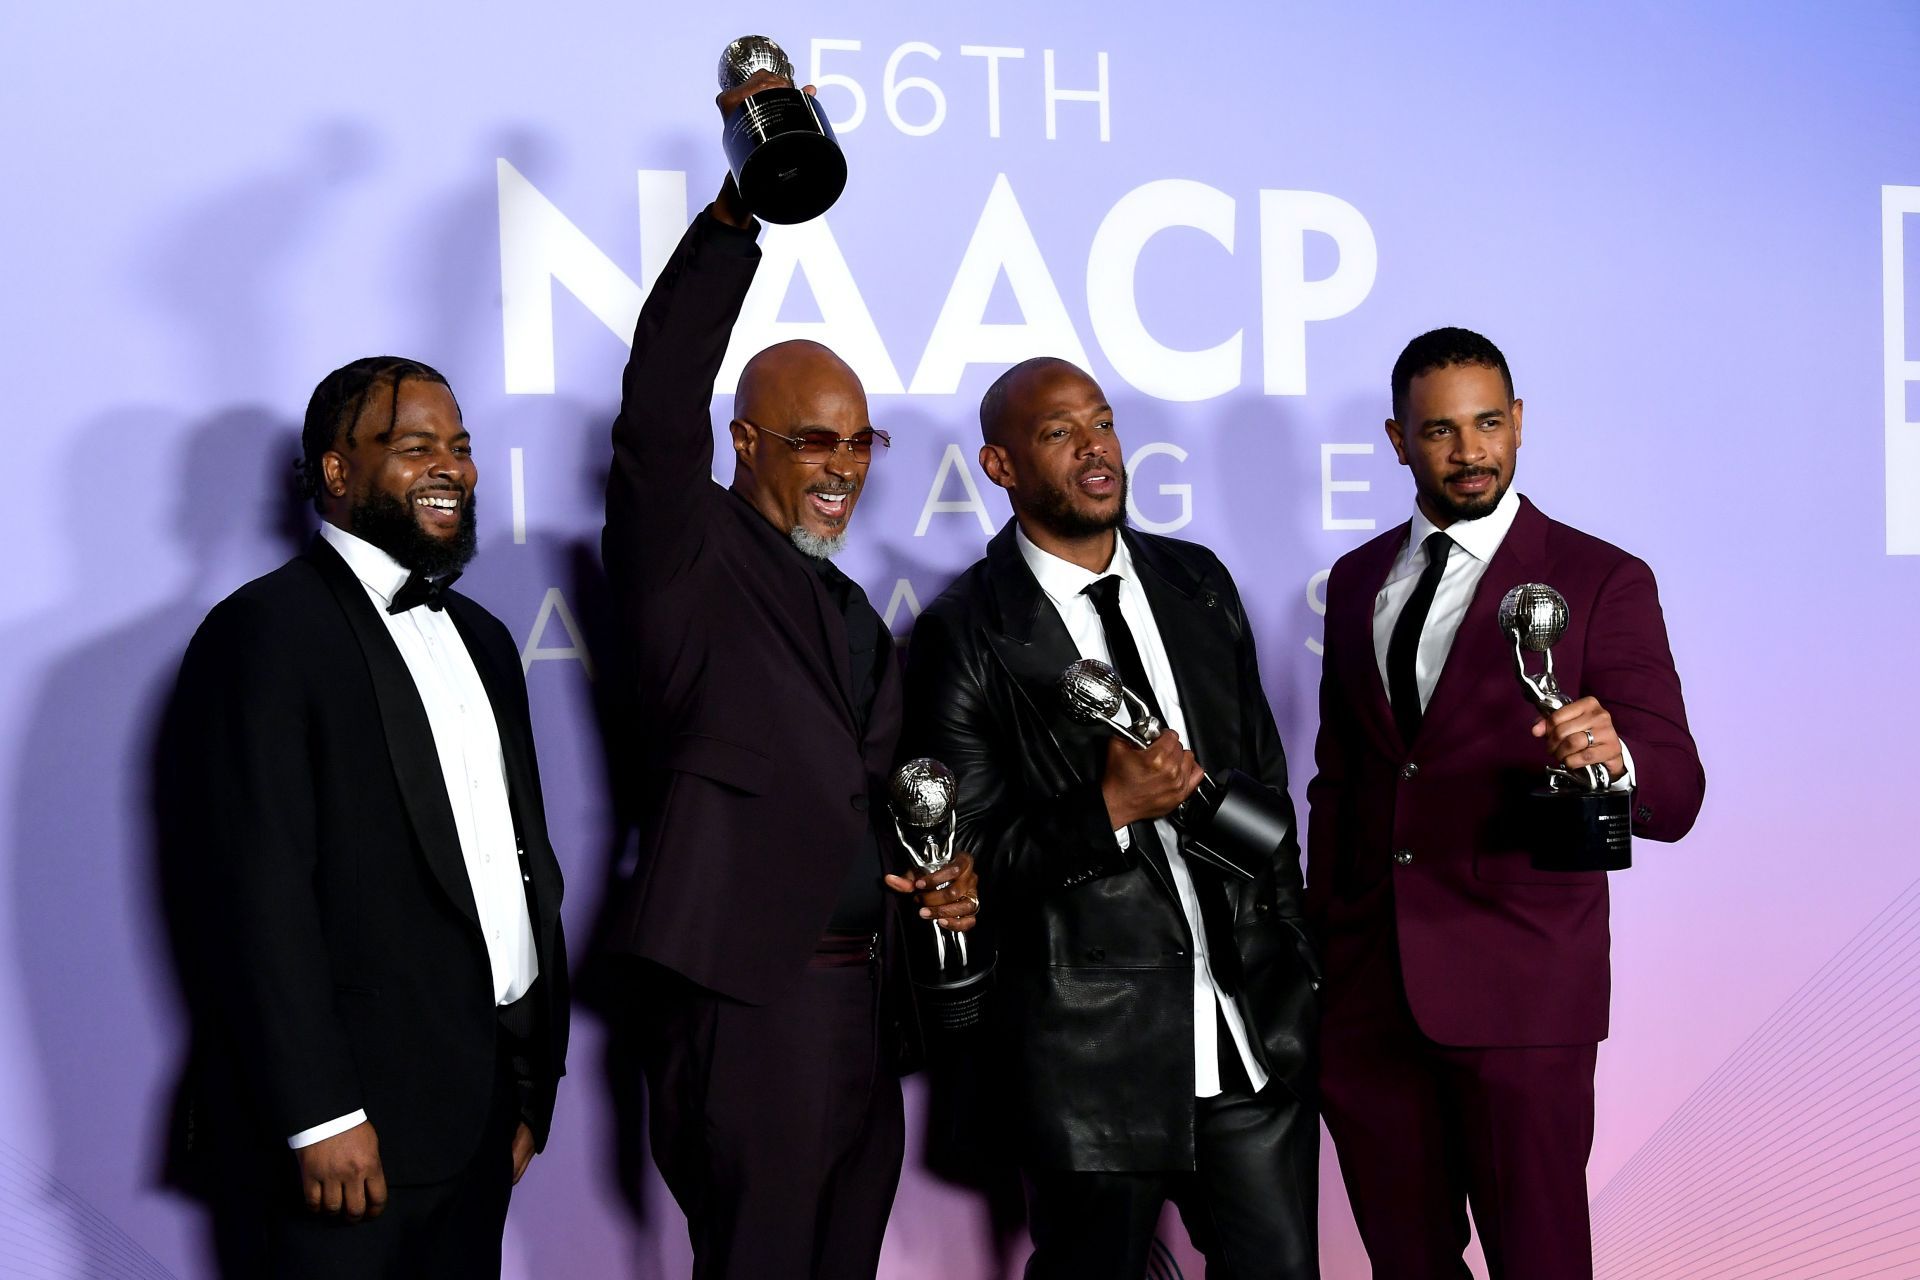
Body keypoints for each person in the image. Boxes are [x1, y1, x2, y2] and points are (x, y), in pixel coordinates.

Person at [593, 72, 980, 1280]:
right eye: (816, 438)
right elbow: (658, 397)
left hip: (867, 1006)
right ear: (743, 442)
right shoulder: (687, 552)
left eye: (862, 439)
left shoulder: (855, 607)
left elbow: (863, 794)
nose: (845, 465)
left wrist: (933, 877)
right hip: (745, 1001)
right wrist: (737, 209)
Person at [901, 356, 1322, 1279]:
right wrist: (1109, 809)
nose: (1096, 451)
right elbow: (968, 874)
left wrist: (1295, 959)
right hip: (1091, 1060)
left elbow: (1267, 797)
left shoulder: (1198, 584)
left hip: (1251, 1036)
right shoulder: (965, 635)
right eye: (1058, 434)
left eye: (1101, 423)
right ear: (1001, 467)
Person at [1308, 327, 1706, 1279]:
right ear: (1400, 441)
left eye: (1489, 423)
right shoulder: (1361, 579)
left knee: (1540, 1261)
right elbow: (1343, 781)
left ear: (1519, 423)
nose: (1470, 449)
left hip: (1523, 993)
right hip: (1370, 994)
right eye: (1440, 431)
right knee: (1407, 1263)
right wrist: (1322, 948)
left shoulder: (1601, 578)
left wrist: (1613, 760)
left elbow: (1678, 787)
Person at [162, 356, 570, 1278]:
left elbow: (511, 869)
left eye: (460, 448)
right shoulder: (263, 634)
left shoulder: (487, 642)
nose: (452, 467)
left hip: (478, 1127)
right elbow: (253, 894)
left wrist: (527, 1090)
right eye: (413, 444)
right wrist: (320, 1114)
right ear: (336, 473)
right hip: (349, 1142)